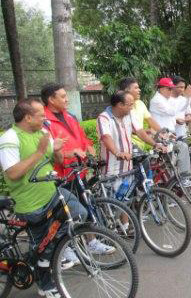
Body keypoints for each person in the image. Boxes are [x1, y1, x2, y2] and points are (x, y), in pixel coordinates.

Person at [0, 99, 87, 297]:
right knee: (39, 245)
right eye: (40, 114)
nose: (45, 117)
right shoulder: (10, 138)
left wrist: (56, 151)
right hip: (31, 203)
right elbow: (13, 173)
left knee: (79, 213)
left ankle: (48, 256)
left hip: (53, 193)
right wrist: (40, 152)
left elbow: (57, 161)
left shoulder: (42, 133)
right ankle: (45, 284)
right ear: (28, 117)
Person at [40, 83, 115, 259]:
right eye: (63, 96)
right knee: (63, 214)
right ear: (51, 99)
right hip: (60, 176)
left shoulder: (70, 116)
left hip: (78, 172)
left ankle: (91, 242)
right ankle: (64, 248)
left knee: (86, 205)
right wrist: (67, 153)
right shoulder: (44, 121)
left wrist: (89, 148)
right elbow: (47, 151)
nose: (67, 99)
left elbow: (82, 138)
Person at [149, 78, 191, 186]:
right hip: (161, 136)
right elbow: (173, 111)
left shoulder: (165, 99)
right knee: (181, 149)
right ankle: (181, 180)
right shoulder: (157, 100)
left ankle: (174, 185)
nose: (171, 91)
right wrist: (187, 97)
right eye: (169, 89)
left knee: (170, 163)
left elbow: (181, 109)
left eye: (172, 89)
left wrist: (187, 98)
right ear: (162, 88)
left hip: (169, 134)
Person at [118, 77, 161, 149]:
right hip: (127, 146)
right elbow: (127, 130)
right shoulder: (122, 107)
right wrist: (154, 143)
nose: (139, 90)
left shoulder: (140, 103)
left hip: (140, 146)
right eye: (136, 88)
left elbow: (150, 120)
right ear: (126, 90)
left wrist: (163, 132)